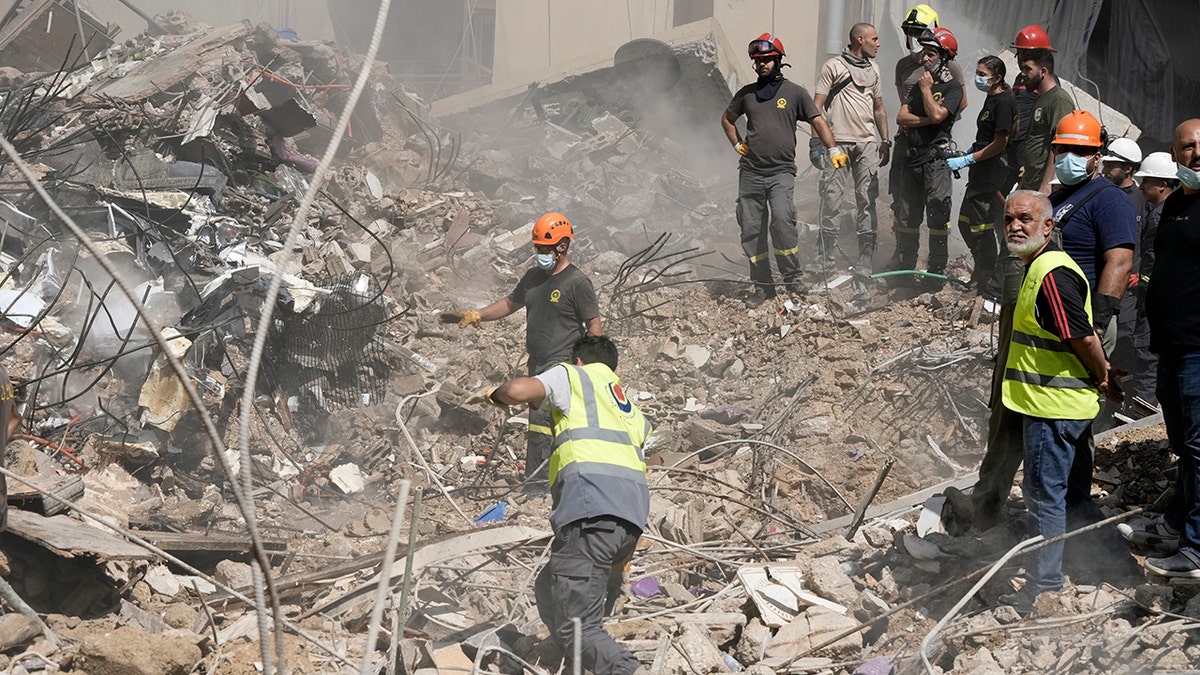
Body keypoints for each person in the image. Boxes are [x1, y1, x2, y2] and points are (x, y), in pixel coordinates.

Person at [484, 335, 652, 673]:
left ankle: (626, 670)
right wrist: (619, 568)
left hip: (591, 515)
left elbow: (517, 390)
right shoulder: (629, 410)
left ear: (578, 360)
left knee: (578, 629)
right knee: (549, 586)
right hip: (628, 525)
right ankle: (573, 661)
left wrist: (495, 396)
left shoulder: (574, 377)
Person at [996, 190, 1122, 610]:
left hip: (1053, 411)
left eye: (1026, 219)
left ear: (1048, 227)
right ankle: (1112, 564)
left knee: (1043, 498)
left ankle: (1043, 585)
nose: (1015, 226)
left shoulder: (1050, 272)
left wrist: (1104, 375)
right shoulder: (1040, 267)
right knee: (1071, 496)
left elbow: (1082, 336)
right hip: (1061, 407)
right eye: (1009, 218)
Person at [454, 212, 602, 479]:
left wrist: (593, 367)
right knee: (539, 424)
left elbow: (594, 325)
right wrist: (478, 314)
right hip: (538, 361)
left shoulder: (577, 282)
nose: (541, 254)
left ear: (562, 246)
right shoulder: (534, 277)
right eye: (538, 248)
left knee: (547, 423)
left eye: (545, 248)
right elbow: (510, 303)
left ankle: (541, 485)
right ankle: (543, 480)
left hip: (563, 362)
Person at [721, 32, 844, 308]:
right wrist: (737, 144)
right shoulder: (747, 94)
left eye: (767, 59)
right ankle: (763, 287)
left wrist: (833, 148)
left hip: (781, 173)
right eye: (757, 60)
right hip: (750, 172)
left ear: (778, 60)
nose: (762, 64)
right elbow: (727, 119)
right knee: (751, 228)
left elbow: (818, 120)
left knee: (781, 220)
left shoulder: (795, 93)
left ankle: (793, 279)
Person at [1137, 119, 1200, 578]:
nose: (1195, 153)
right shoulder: (1176, 203)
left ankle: (1195, 548)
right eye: (1187, 147)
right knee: (1182, 444)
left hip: (1199, 347)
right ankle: (1177, 523)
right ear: (1175, 155)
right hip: (1171, 345)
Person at [1047, 110, 1136, 358]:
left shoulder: (1110, 200)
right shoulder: (1058, 197)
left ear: (1097, 158)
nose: (1068, 156)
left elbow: (1120, 262)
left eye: (1079, 151)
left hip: (1083, 320)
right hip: (1054, 313)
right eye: (1062, 148)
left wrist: (1097, 324)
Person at [810, 23, 888, 282]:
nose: (878, 44)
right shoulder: (833, 67)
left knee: (867, 201)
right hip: (837, 144)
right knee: (831, 200)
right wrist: (816, 142)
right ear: (859, 39)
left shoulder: (875, 69)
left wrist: (885, 139)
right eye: (874, 39)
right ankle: (826, 260)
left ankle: (865, 262)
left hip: (866, 144)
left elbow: (879, 107)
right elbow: (816, 107)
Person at [888, 26, 962, 288]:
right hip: (912, 160)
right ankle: (905, 269)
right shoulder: (919, 85)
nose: (925, 58)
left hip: (935, 162)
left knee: (938, 216)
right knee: (908, 217)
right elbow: (901, 117)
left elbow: (940, 116)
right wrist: (927, 117)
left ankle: (935, 273)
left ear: (944, 57)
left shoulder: (953, 89)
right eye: (924, 53)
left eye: (931, 54)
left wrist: (929, 94)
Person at [947, 55, 1018, 299]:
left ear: (997, 77)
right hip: (981, 167)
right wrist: (968, 152)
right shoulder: (991, 99)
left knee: (982, 225)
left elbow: (1000, 143)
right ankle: (981, 269)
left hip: (991, 169)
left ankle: (983, 279)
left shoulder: (1004, 102)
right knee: (965, 222)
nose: (978, 78)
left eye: (982, 74)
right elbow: (986, 137)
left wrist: (969, 159)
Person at [1118, 152, 1177, 407]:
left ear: (1162, 184)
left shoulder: (1161, 215)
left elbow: (1158, 260)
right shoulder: (1169, 210)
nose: (1141, 186)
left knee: (1146, 349)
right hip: (1160, 295)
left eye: (1147, 182)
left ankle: (1145, 406)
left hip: (1157, 297)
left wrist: (1142, 281)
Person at [1016, 48, 1075, 195]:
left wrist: (1047, 184)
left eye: (1028, 69)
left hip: (1042, 186)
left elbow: (1060, 144)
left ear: (1043, 71)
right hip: (1031, 182)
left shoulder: (1059, 100)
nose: (1023, 74)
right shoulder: (1041, 98)